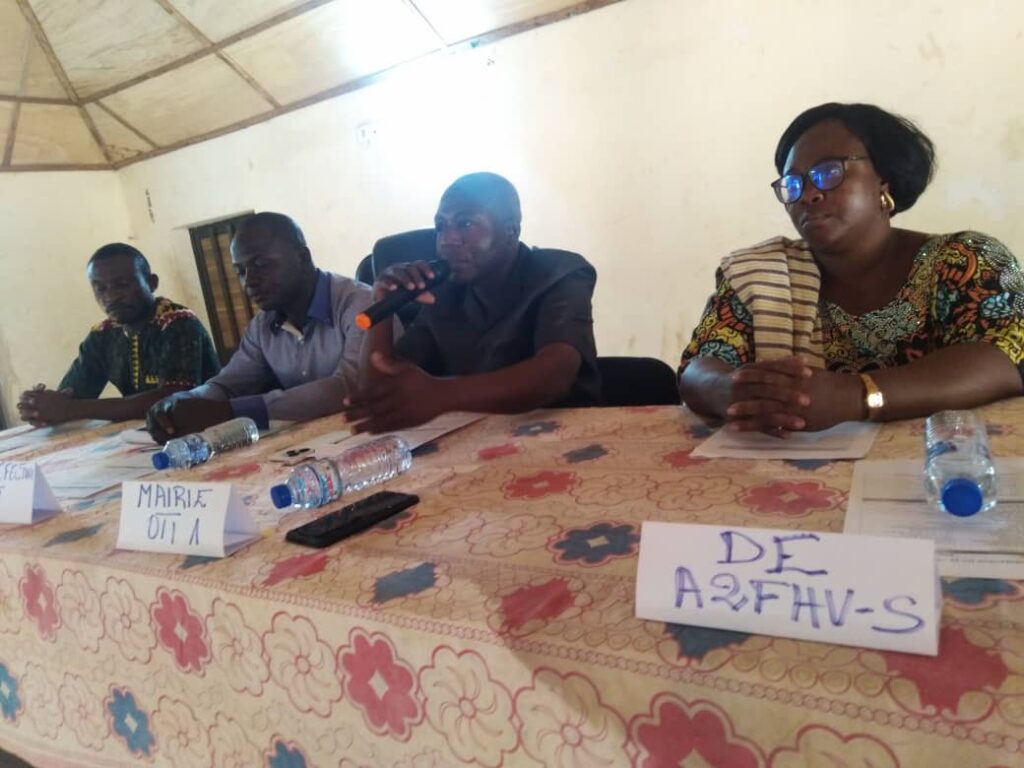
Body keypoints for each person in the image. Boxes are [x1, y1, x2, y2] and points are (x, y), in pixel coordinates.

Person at [679, 102, 1024, 433]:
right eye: (793, 183)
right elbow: (699, 366)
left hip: (943, 464)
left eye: (828, 172)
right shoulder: (763, 275)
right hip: (794, 472)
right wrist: (728, 390)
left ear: (883, 181)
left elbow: (1006, 354)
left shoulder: (964, 260)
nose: (808, 195)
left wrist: (857, 395)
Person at [343, 172, 600, 433]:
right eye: (441, 226)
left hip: (573, 433)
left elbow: (555, 374)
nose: (447, 239)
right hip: (485, 439)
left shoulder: (560, 273)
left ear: (511, 229)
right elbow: (380, 391)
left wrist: (441, 394)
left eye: (465, 224)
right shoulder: (444, 291)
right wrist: (383, 305)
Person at [147, 212, 372, 442]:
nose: (249, 281)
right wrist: (180, 401)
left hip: (371, 438)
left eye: (261, 265)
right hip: (315, 444)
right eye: (240, 271)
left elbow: (348, 387)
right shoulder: (262, 326)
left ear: (303, 258)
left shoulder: (359, 304)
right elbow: (229, 385)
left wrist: (231, 412)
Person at [17, 243, 219, 427]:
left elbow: (172, 399)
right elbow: (73, 396)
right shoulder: (102, 335)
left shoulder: (178, 323)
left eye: (122, 285)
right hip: (146, 433)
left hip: (205, 428)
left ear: (151, 283)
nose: (111, 297)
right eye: (100, 288)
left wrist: (69, 409)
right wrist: (41, 406)